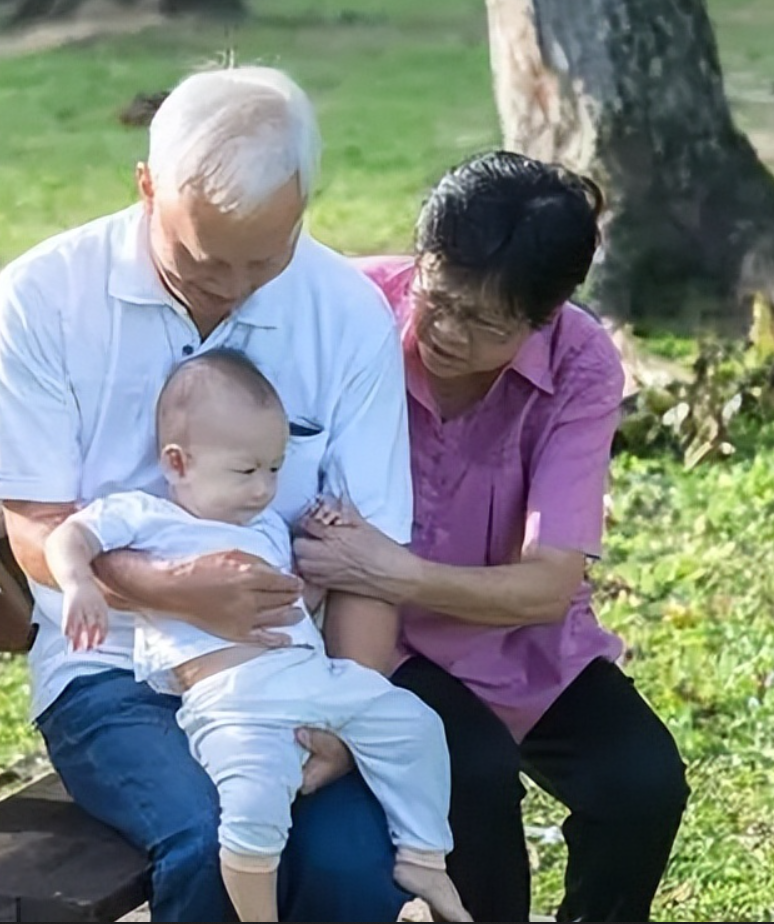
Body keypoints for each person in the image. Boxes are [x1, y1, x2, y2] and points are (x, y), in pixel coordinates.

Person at [0, 65, 417, 921]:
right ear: (146, 187)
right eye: (206, 260)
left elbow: (367, 560)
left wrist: (341, 717)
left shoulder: (348, 314)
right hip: (111, 674)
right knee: (217, 841)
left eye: (267, 256)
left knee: (359, 870)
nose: (235, 286)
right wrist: (172, 590)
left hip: (294, 669)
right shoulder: (43, 296)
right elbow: (32, 526)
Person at [293, 150, 691, 923]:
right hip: (375, 639)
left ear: (544, 315)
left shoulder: (579, 361)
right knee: (471, 772)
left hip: (510, 634)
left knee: (642, 784)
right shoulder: (348, 309)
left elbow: (547, 586)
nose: (443, 330)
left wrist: (391, 570)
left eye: (482, 321)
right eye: (436, 298)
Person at [43, 351, 470, 923]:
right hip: (233, 703)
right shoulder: (147, 518)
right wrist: (78, 584)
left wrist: (323, 556)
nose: (264, 488)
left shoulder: (266, 527)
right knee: (252, 807)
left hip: (312, 680)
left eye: (275, 468)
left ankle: (423, 855)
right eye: (247, 472)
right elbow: (67, 536)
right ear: (178, 462)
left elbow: (295, 601)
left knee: (413, 725)